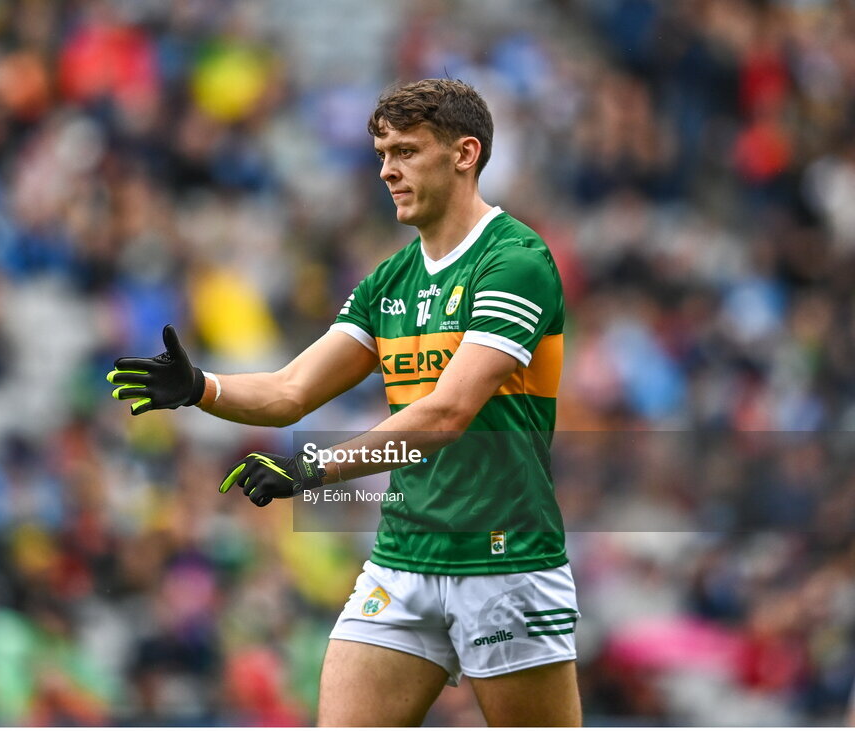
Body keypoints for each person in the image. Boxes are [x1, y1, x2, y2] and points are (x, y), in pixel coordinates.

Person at [108, 78, 580, 726]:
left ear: (465, 154)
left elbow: (448, 413)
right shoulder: (388, 281)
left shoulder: (516, 261)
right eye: (382, 152)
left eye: (407, 151)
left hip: (504, 560)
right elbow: (289, 390)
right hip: (403, 559)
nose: (387, 169)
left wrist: (315, 469)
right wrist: (202, 389)